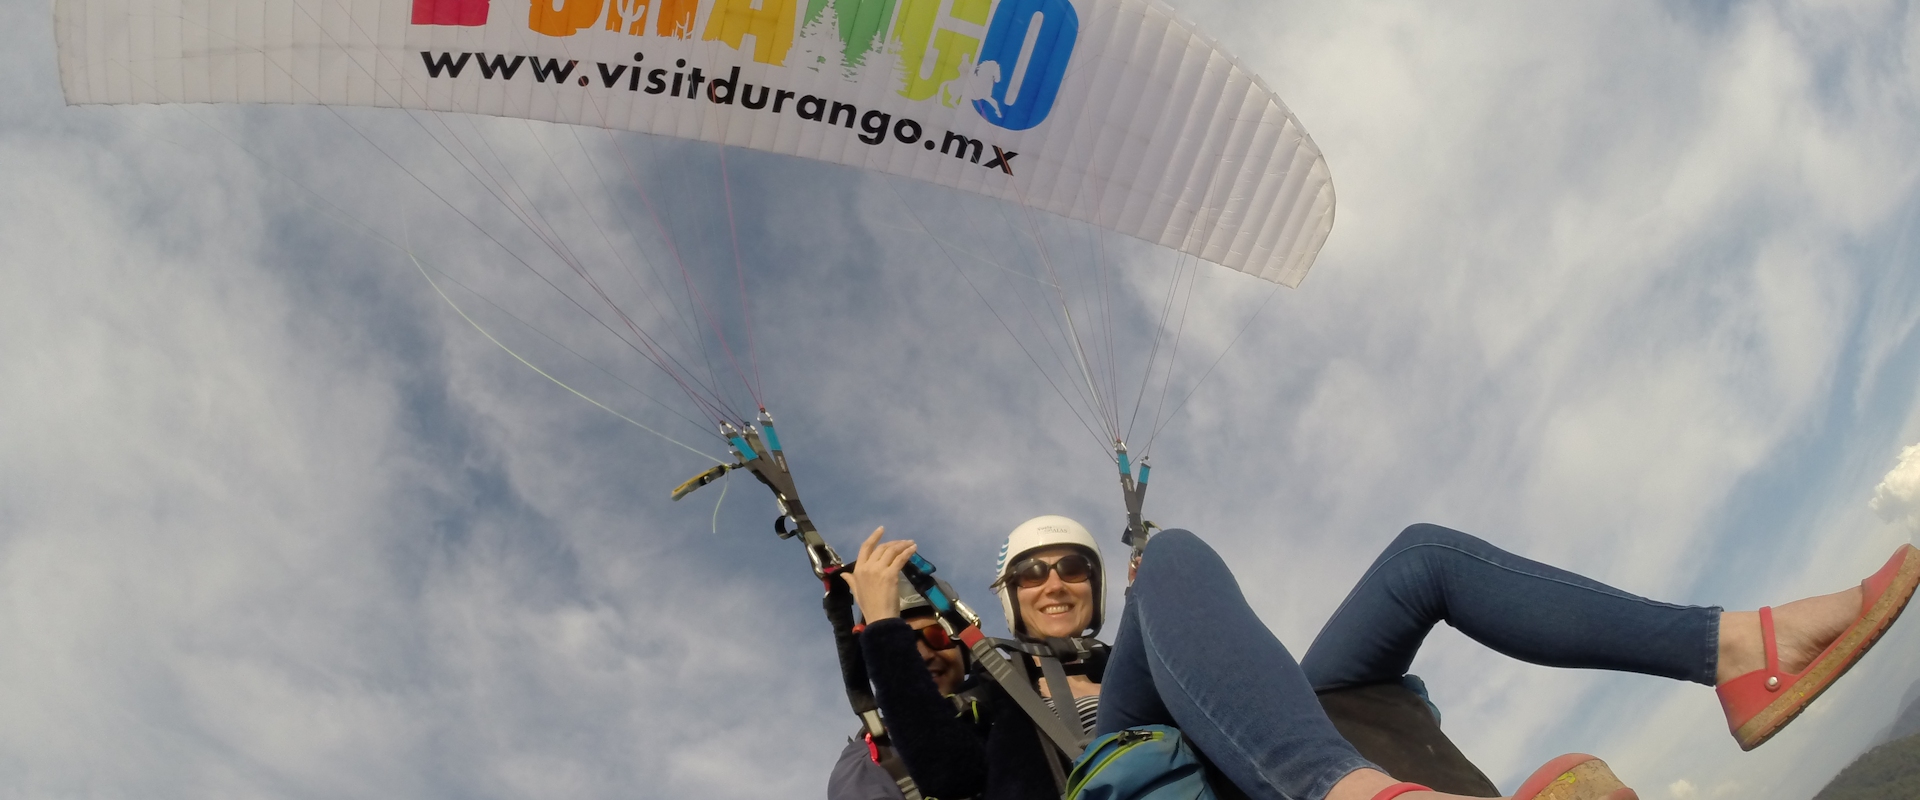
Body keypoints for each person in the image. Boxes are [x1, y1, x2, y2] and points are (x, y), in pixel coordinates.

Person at [841, 518, 1920, 800]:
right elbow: (937, 777)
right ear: (1005, 596)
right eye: (1033, 574)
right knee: (1173, 557)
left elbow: (1238, 676)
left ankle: (1738, 647)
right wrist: (883, 621)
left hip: (1234, 760)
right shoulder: (992, 699)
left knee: (1420, 561)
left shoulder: (1147, 649)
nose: (1058, 582)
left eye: (1072, 565)